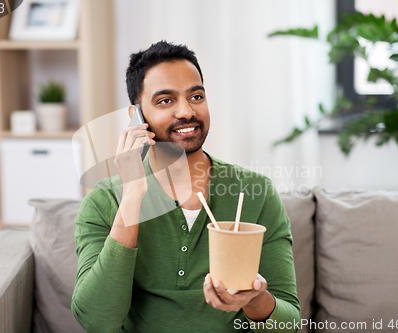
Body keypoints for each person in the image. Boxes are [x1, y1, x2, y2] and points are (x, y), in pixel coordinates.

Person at [71, 40, 301, 332]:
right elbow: (95, 320)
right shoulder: (104, 201)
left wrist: (254, 300)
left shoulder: (256, 192)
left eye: (196, 96)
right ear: (136, 117)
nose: (186, 111)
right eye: (165, 100)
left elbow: (291, 323)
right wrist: (131, 196)